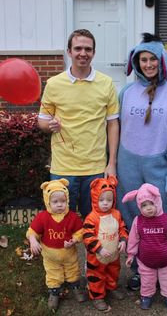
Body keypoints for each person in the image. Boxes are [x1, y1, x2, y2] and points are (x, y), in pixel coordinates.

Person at [116, 33, 167, 290]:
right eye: (142, 59)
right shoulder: (126, 92)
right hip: (128, 166)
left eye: (152, 60)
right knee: (134, 220)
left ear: (162, 61)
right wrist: (112, 165)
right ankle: (140, 269)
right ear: (136, 62)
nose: (147, 64)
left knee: (163, 219)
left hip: (159, 167)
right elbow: (114, 130)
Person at [38, 29, 119, 217]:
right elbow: (42, 121)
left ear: (94, 53)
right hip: (63, 168)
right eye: (78, 48)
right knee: (61, 221)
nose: (83, 53)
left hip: (96, 167)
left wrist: (112, 162)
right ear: (69, 52)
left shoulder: (106, 83)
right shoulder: (54, 84)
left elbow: (113, 124)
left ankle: (91, 248)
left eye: (88, 49)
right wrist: (49, 125)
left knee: (95, 221)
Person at [26, 179, 87, 311]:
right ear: (48, 201)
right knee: (53, 273)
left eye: (63, 201)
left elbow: (80, 231)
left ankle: (75, 287)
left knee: (73, 270)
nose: (60, 205)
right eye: (55, 202)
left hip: (68, 253)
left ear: (68, 201)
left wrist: (75, 240)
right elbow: (32, 231)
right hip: (50, 255)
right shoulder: (42, 217)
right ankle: (54, 292)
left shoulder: (72, 217)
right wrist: (33, 240)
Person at [123, 183, 167, 311]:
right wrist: (130, 254)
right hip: (146, 260)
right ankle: (146, 296)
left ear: (158, 201)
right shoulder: (138, 221)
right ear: (139, 206)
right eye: (144, 205)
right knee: (147, 280)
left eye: (151, 203)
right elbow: (134, 239)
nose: (149, 208)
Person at [83, 176, 128, 312]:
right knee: (97, 276)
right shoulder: (92, 217)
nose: (105, 203)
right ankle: (97, 296)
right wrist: (99, 249)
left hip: (113, 254)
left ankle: (111, 287)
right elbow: (87, 236)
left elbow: (122, 228)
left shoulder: (116, 214)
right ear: (95, 198)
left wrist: (123, 240)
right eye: (101, 199)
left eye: (109, 200)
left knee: (113, 272)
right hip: (97, 257)